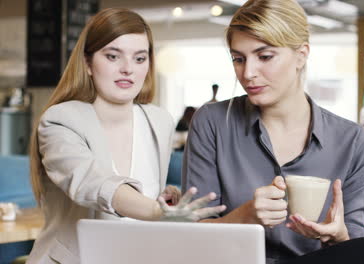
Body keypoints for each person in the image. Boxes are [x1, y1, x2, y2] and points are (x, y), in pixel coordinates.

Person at [182, 1, 364, 264]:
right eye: (238, 59)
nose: (248, 73)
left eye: (264, 57)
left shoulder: (352, 141)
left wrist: (338, 235)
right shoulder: (213, 122)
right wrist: (245, 217)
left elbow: (355, 244)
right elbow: (191, 234)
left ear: (301, 55)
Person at [27, 8, 225, 263]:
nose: (127, 69)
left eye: (140, 58)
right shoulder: (61, 120)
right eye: (113, 56)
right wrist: (156, 211)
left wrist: (163, 199)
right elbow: (92, 182)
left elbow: (142, 197)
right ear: (87, 63)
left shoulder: (158, 121)